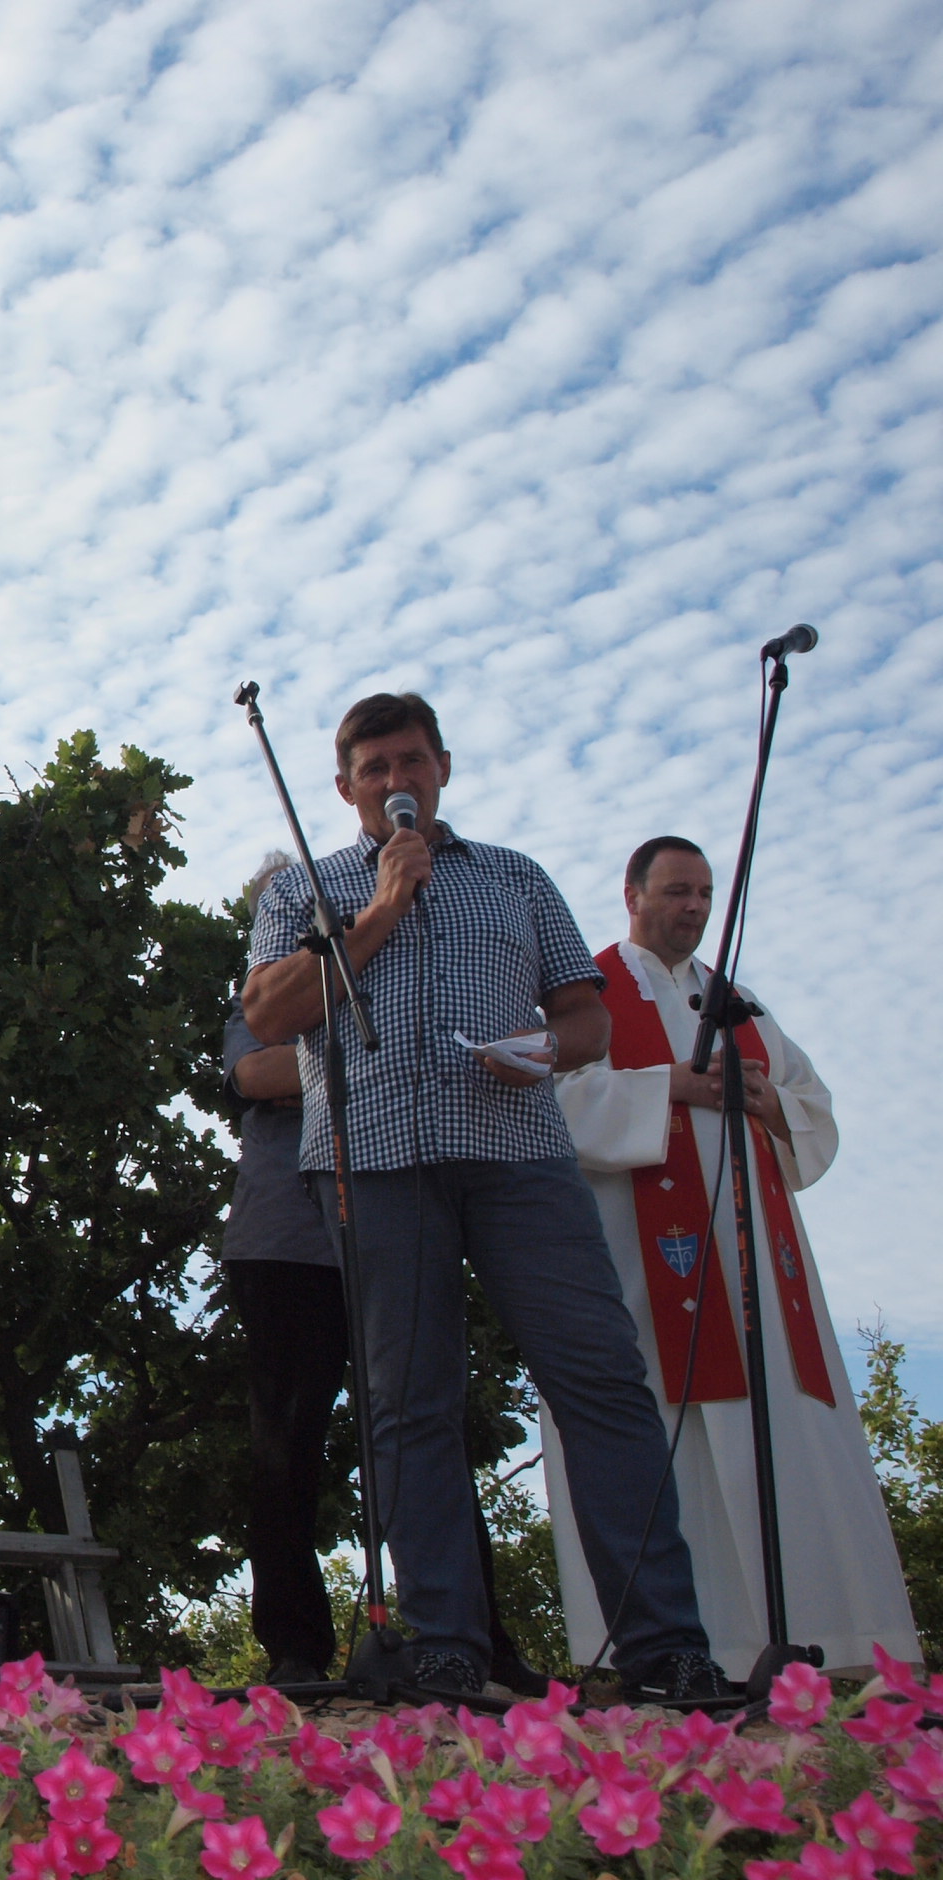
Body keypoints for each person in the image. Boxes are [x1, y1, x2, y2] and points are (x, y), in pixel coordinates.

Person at [242, 693, 728, 1702]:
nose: (393, 781)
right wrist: (378, 912)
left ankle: (664, 1648)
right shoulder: (309, 890)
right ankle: (446, 1647)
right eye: (372, 768)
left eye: (409, 761)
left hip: (518, 1159)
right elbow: (271, 1012)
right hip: (374, 1164)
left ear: (443, 768)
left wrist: (546, 1050)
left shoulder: (515, 877)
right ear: (344, 788)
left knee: (600, 1382)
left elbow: (584, 1018)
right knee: (408, 1407)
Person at [546, 837, 917, 1678]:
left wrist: (768, 1099)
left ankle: (833, 1641)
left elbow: (812, 1105)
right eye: (677, 890)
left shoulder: (738, 1000)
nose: (694, 907)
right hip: (648, 1264)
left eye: (705, 893)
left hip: (760, 1274)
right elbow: (552, 1099)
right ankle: (684, 1647)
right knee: (666, 1435)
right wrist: (665, 1087)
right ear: (632, 894)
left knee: (781, 1432)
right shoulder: (590, 993)